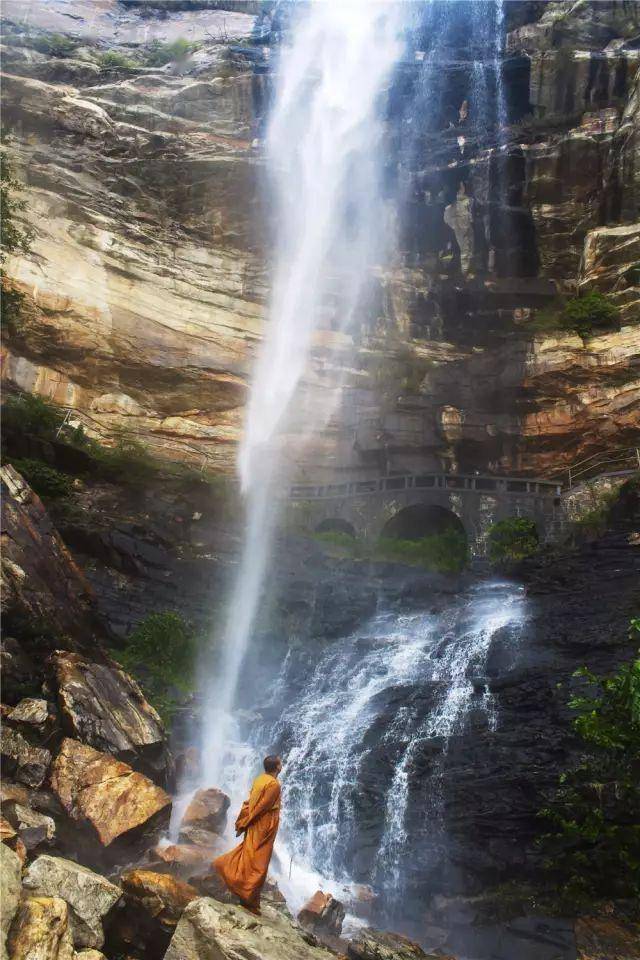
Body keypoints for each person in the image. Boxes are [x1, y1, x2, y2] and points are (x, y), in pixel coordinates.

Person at [213, 755, 282, 915]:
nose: (282, 764)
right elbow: (262, 807)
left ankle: (239, 886)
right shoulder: (274, 784)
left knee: (249, 853)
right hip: (263, 825)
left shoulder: (260, 779)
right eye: (280, 762)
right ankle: (248, 899)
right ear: (277, 767)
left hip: (255, 824)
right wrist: (246, 821)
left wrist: (245, 819)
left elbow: (250, 801)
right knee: (259, 863)